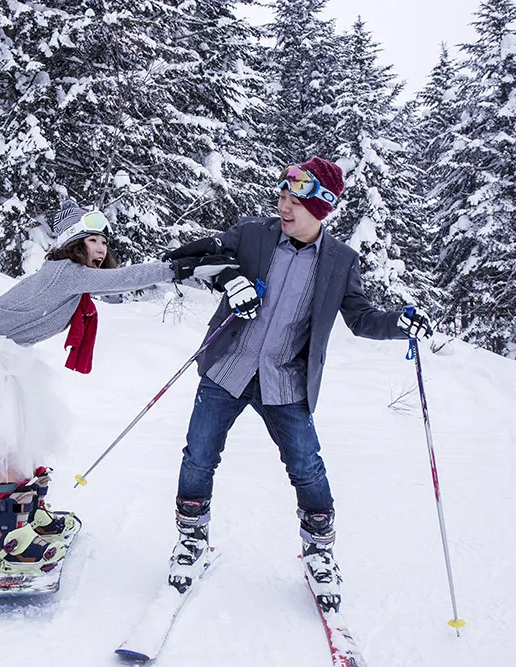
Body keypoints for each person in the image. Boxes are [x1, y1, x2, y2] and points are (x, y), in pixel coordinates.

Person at [162, 158, 433, 609]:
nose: (284, 206)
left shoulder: (340, 261)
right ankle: (191, 539)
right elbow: (193, 257)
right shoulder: (254, 234)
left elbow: (361, 318)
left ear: (321, 208)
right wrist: (231, 278)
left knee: (307, 467)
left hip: (284, 381)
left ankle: (319, 551)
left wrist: (400, 324)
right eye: (282, 196)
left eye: (295, 201)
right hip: (227, 368)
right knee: (199, 455)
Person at [0, 200, 236, 575]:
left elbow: (116, 287)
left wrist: (183, 270)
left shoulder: (71, 278)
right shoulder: (66, 272)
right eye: (92, 239)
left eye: (104, 242)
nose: (100, 248)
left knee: (22, 437)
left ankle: (28, 517)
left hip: (0, 355)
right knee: (6, 445)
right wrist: (178, 268)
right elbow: (122, 279)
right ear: (73, 243)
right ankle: (7, 542)